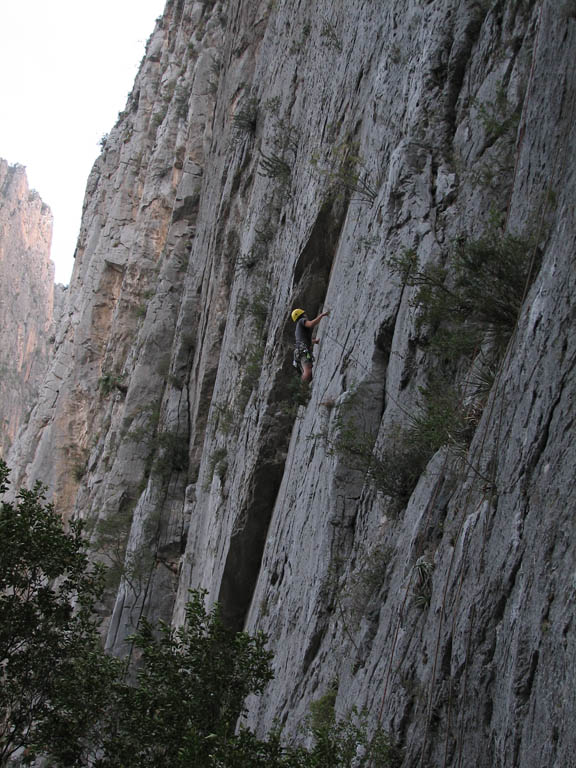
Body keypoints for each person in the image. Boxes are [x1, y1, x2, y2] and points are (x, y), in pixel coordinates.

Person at [291, 307, 330, 382]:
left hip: (301, 351)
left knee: (308, 369)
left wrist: (315, 341)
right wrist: (321, 315)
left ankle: (304, 387)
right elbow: (311, 324)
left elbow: (304, 340)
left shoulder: (299, 327)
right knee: (308, 371)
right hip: (302, 351)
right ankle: (303, 388)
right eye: (305, 314)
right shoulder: (302, 321)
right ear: (303, 315)